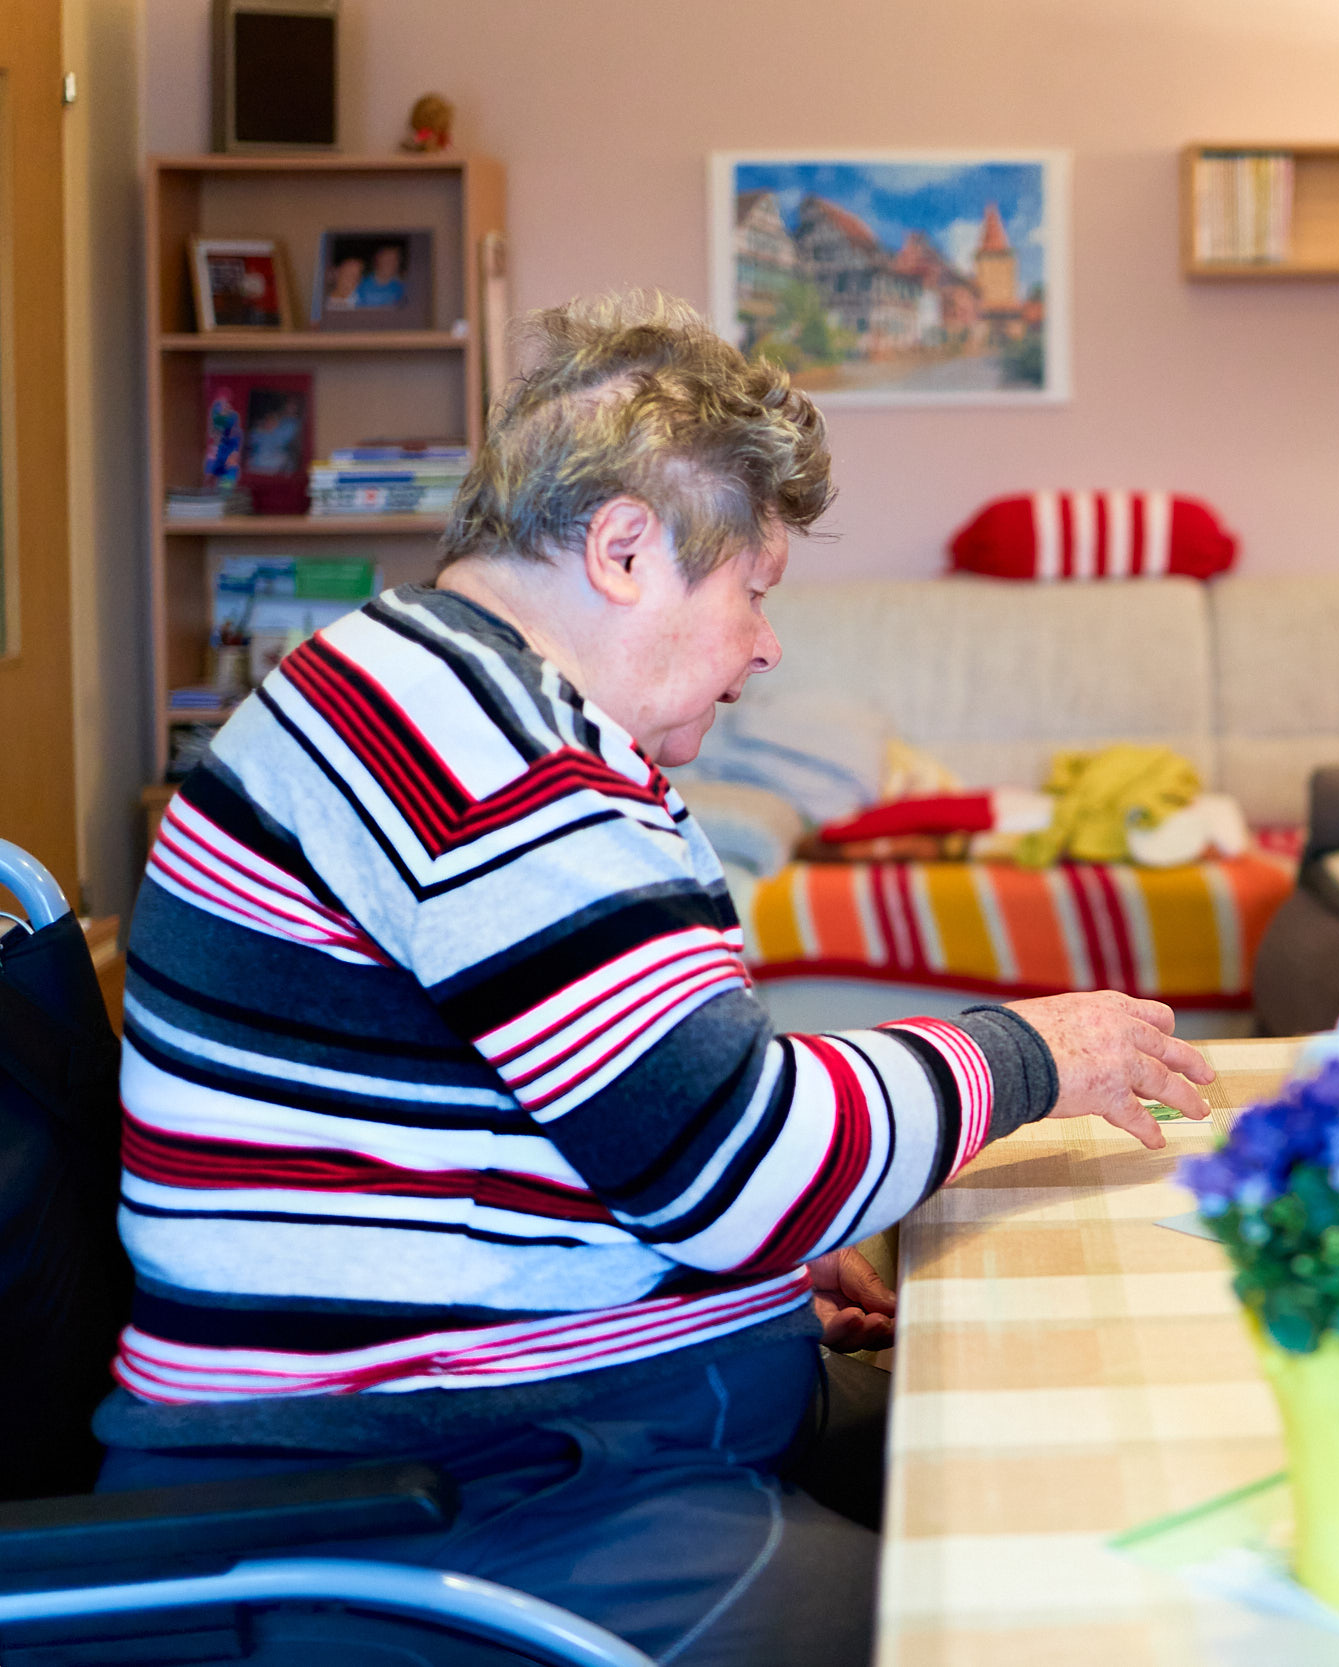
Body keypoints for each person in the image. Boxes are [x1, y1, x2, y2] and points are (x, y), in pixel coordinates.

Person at [99, 291, 1218, 1664]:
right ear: (625, 551)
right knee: (1049, 1616)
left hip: (515, 1424)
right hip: (437, 1490)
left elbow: (632, 1111)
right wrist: (1032, 1051)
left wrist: (725, 1268)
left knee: (1067, 1471)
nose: (766, 642)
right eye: (754, 586)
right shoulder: (483, 752)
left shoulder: (449, 695)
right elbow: (731, 1153)